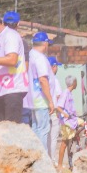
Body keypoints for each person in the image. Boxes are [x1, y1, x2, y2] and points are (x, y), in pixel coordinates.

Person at [0, 11, 27, 123]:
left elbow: (12, 60)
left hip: (13, 89)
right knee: (1, 129)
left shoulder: (10, 35)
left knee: (11, 129)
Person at [26, 31, 58, 160]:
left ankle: (36, 157)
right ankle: (43, 159)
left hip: (33, 99)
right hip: (41, 99)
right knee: (43, 130)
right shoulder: (40, 58)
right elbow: (43, 80)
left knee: (36, 129)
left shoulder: (30, 55)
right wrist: (50, 101)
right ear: (45, 44)